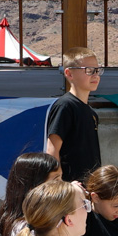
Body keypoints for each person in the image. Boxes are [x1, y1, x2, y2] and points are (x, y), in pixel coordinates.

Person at [45, 47, 103, 183]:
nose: (95, 75)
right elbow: (52, 150)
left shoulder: (91, 112)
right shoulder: (65, 106)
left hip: (89, 186)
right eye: (88, 70)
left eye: (97, 70)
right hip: (70, 187)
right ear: (69, 73)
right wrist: (58, 184)